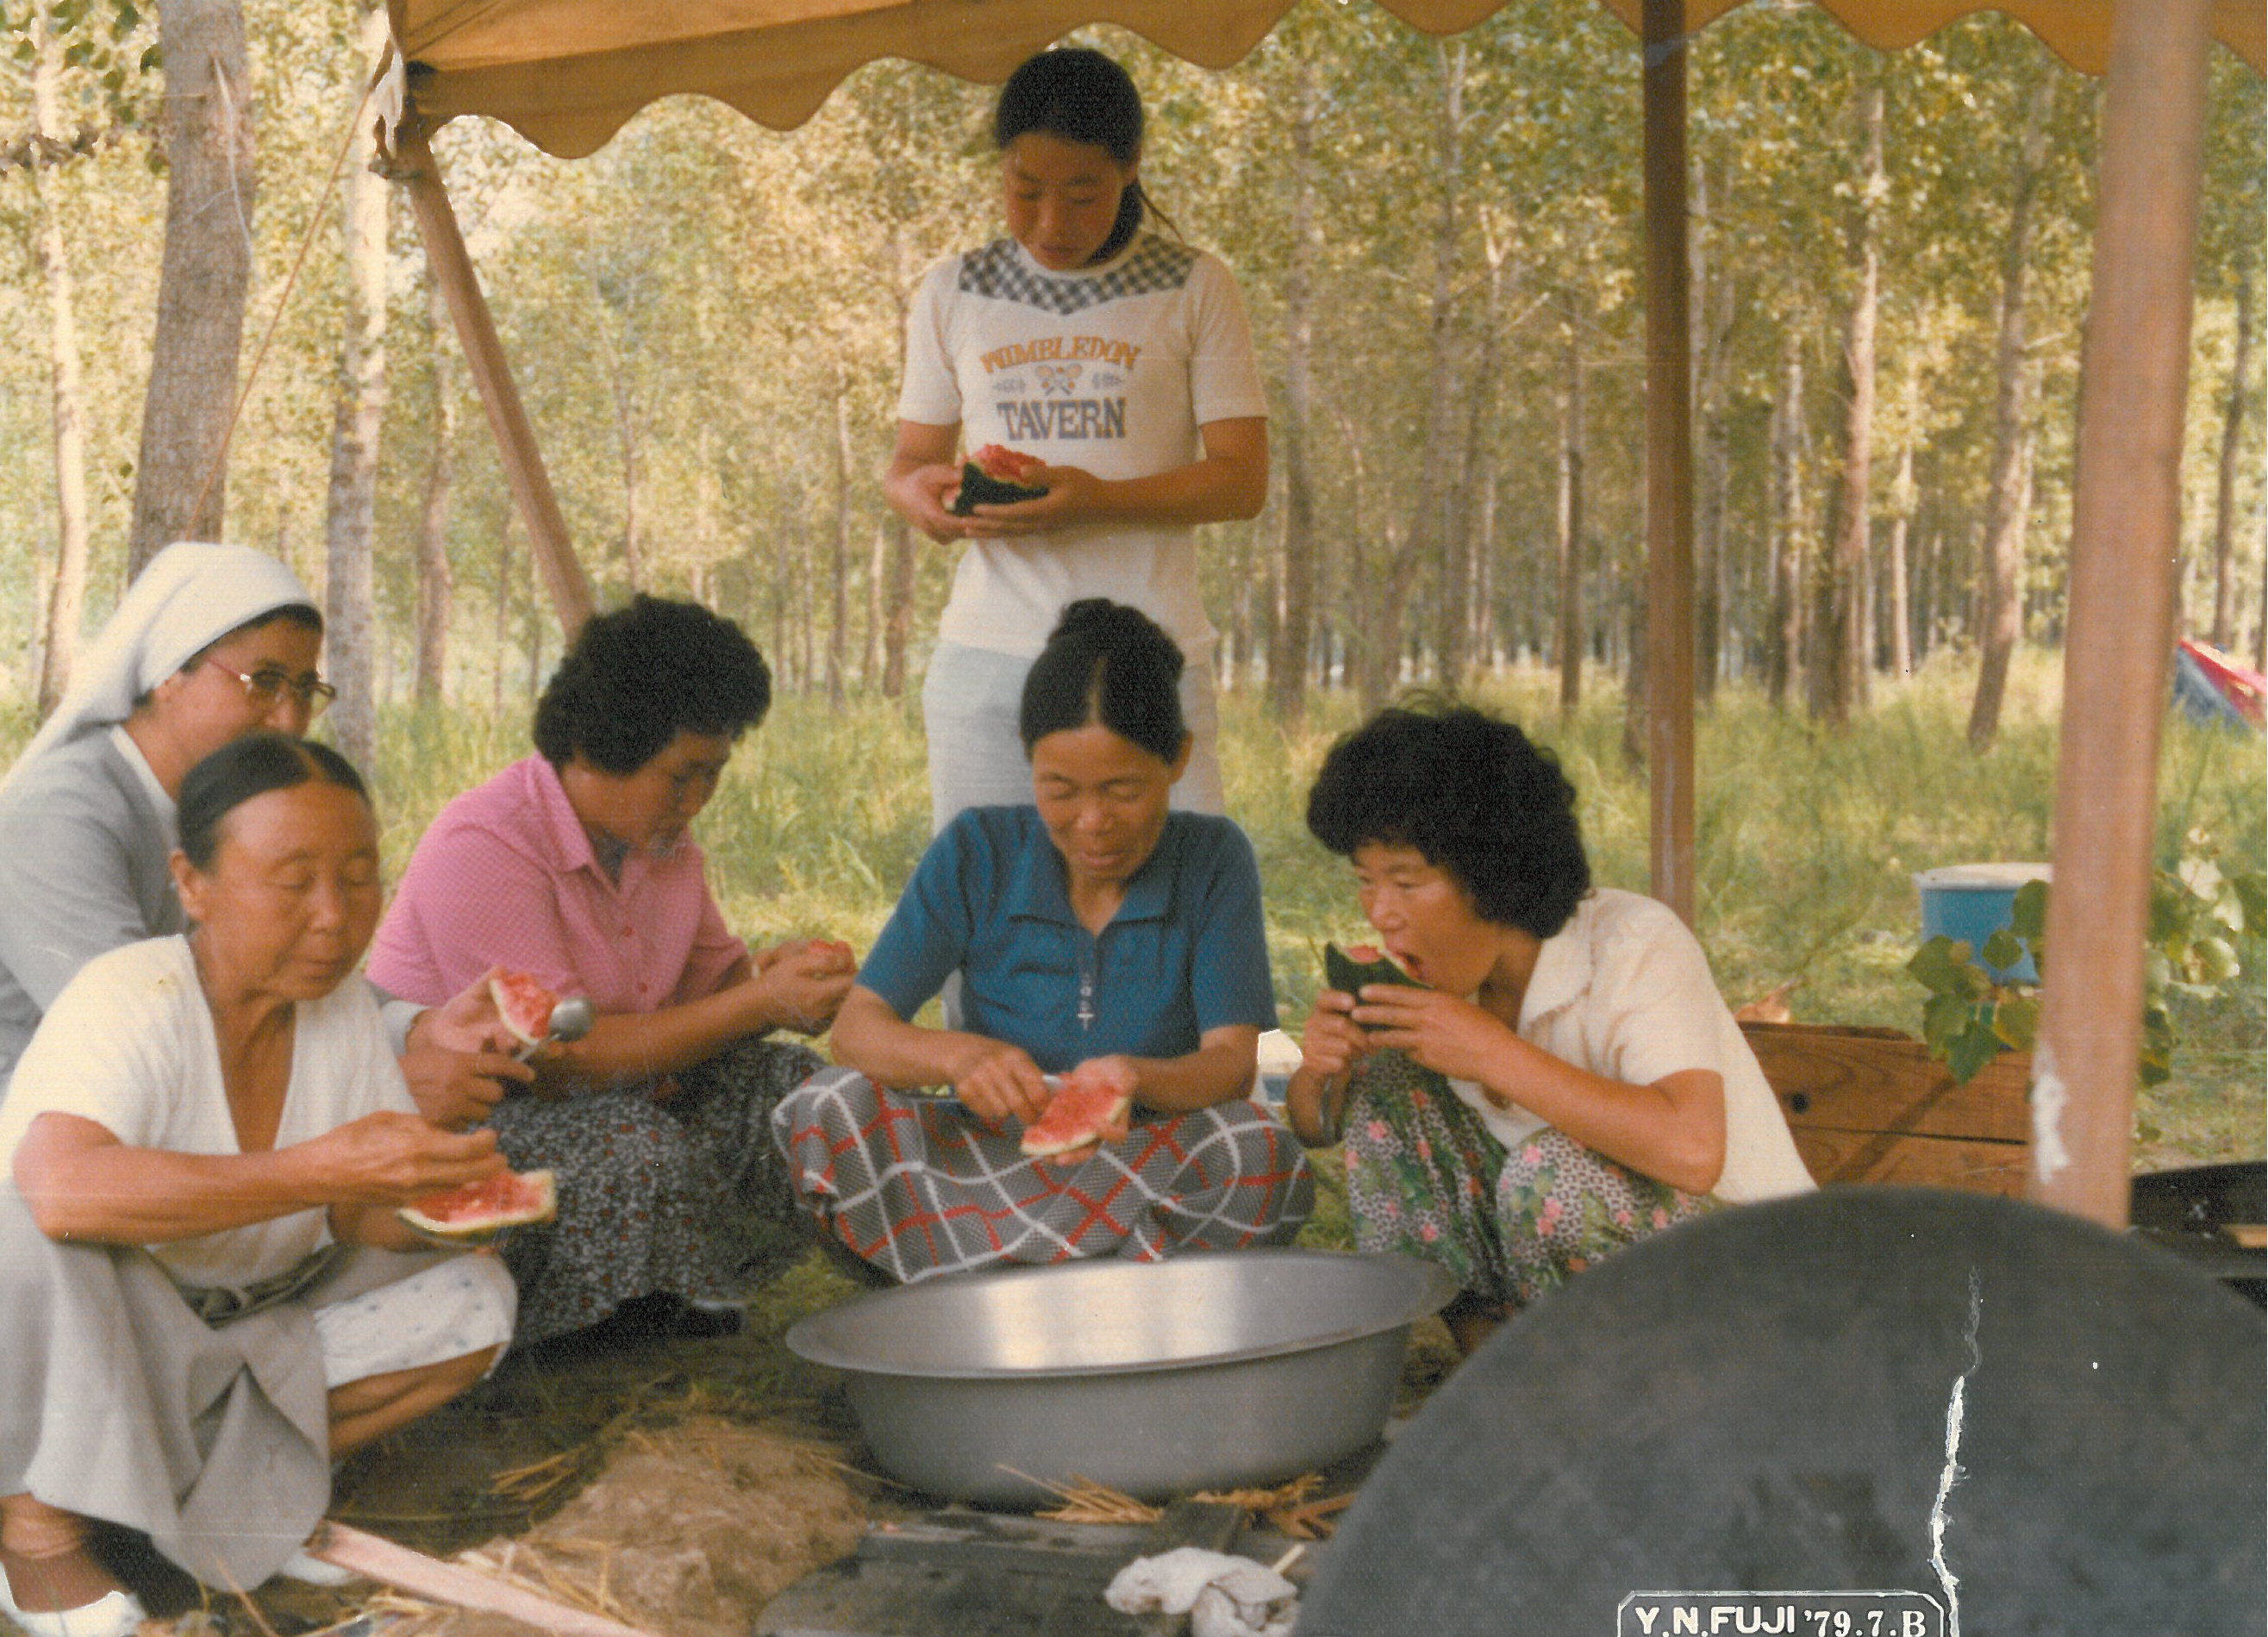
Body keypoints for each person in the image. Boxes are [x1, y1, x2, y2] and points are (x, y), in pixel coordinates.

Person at [0, 735, 516, 1637]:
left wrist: (435, 1203)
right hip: (97, 1330)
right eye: (293, 881)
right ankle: (40, 1537)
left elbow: (353, 1213)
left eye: (359, 877)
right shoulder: (131, 994)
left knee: (477, 1301)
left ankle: (217, 1505)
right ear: (192, 883)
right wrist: (318, 1170)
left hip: (238, 1329)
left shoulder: (343, 1009)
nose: (333, 915)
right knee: (25, 1233)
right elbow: (62, 1191)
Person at [366, 596, 857, 1349]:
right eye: (680, 777)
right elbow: (560, 1061)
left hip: (631, 1093)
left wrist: (784, 983)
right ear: (600, 751)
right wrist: (758, 1002)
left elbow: (716, 992)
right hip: (486, 1114)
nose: (698, 802)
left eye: (714, 775)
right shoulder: (486, 842)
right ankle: (596, 1324)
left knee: (798, 1087)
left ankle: (686, 1289)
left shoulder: (663, 841)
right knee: (634, 1150)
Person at [772, 599, 1312, 1282]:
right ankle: (1113, 1280)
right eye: (1059, 789)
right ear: (1028, 766)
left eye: (1122, 789)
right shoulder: (976, 849)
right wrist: (962, 1056)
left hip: (1144, 1153)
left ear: (1177, 759)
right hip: (984, 1160)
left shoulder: (1212, 858)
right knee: (826, 1108)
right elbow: (857, 1031)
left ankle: (968, 1277)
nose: (1092, 822)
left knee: (1256, 1152)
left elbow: (1231, 1063)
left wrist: (1136, 1076)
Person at [1284, 703, 1815, 1352]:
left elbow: (1693, 1151)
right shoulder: (1447, 984)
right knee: (1390, 1078)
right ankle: (1493, 1371)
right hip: (1582, 1304)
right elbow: (1318, 1126)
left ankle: (1598, 1402)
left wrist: (1490, 1051)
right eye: (1365, 882)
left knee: (1552, 1171)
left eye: (1407, 882)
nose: (1381, 913)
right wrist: (1321, 1068)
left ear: (1490, 876)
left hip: (1755, 1290)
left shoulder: (1631, 943)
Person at [0, 539, 526, 1128]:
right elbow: (136, 1026)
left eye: (304, 690)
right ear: (171, 672)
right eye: (265, 680)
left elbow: (274, 962)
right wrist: (384, 1085)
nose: (288, 720)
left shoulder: (229, 802)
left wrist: (423, 1027)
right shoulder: (60, 812)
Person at [883, 45, 1269, 832]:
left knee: (1171, 919)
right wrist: (916, 496)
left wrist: (1097, 500)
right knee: (988, 917)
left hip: (1149, 661)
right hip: (989, 658)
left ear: (1131, 167)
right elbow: (911, 462)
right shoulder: (953, 289)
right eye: (1025, 191)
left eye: (1083, 193)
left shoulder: (1194, 285)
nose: (1051, 222)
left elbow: (1240, 479)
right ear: (1001, 170)